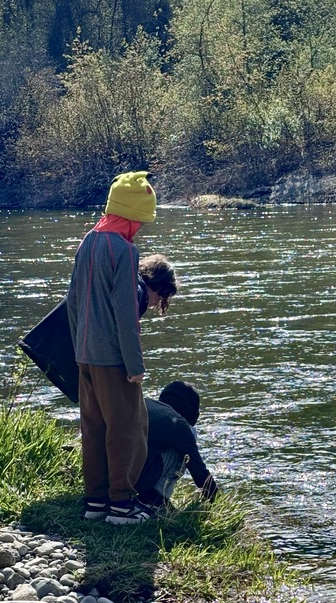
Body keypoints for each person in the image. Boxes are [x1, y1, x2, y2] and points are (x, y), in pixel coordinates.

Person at [66, 171, 160, 525]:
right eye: (141, 220)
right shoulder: (124, 250)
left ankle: (95, 502)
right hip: (113, 358)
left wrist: (79, 348)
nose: (141, 228)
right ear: (132, 217)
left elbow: (72, 302)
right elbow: (125, 313)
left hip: (85, 355)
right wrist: (135, 364)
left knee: (93, 428)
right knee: (127, 429)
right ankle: (121, 505)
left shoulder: (88, 241)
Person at [136, 380, 219, 508]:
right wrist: (217, 500)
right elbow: (198, 471)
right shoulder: (178, 424)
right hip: (137, 479)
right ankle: (156, 499)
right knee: (186, 444)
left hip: (109, 479)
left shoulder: (143, 404)